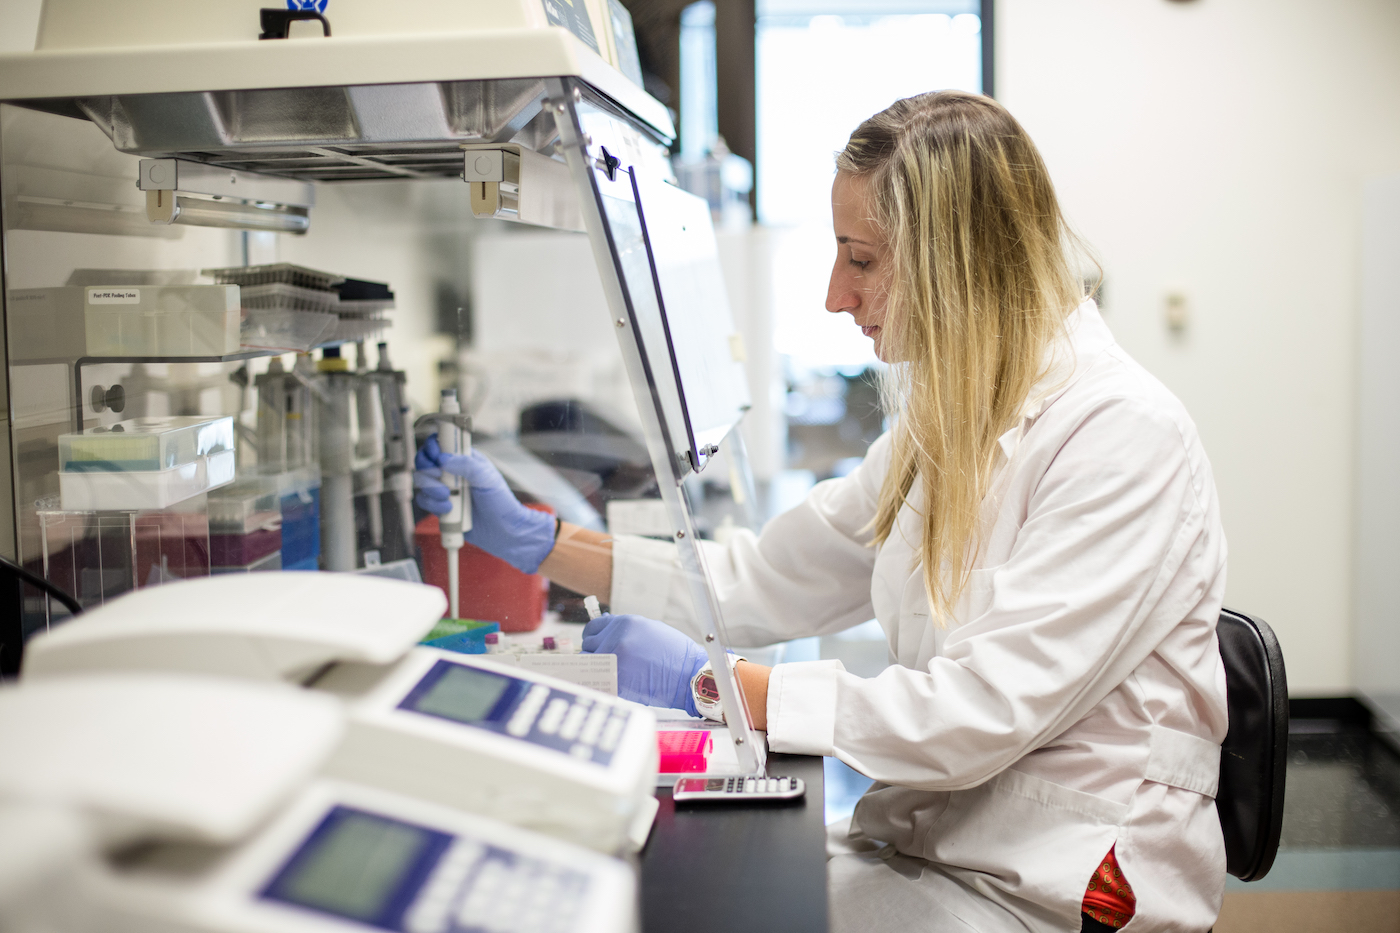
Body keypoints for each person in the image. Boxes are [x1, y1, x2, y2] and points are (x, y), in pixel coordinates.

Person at [415, 90, 1227, 933]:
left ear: (959, 259)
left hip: (1053, 884)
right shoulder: (951, 418)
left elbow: (977, 713)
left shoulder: (1121, 434)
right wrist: (543, 539)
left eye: (863, 260)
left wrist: (719, 686)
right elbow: (763, 579)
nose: (837, 295)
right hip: (947, 843)